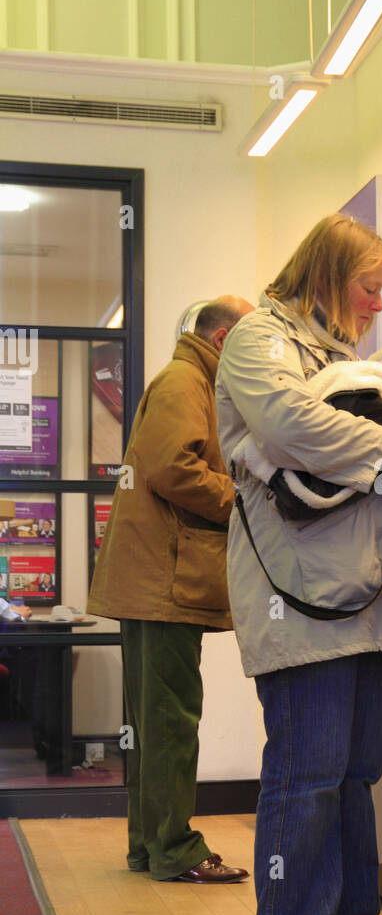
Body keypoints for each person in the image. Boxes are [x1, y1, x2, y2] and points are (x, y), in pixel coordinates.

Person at [216, 214, 382, 915]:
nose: (379, 304)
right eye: (369, 286)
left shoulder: (345, 359)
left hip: (364, 600)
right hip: (304, 603)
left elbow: (368, 475)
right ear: (326, 276)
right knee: (308, 771)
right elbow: (290, 427)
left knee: (356, 771)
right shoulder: (260, 343)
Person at [88, 296, 255, 883]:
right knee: (171, 720)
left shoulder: (188, 379)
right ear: (222, 338)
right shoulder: (188, 382)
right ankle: (175, 849)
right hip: (164, 582)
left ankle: (149, 846)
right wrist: (243, 502)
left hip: (157, 580)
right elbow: (171, 467)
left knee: (155, 720)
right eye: (249, 339)